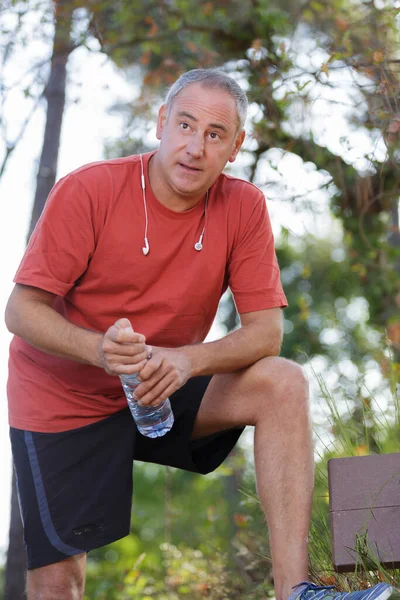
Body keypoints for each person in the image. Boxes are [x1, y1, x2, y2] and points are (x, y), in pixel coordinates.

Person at [4, 68, 394, 600]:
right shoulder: (89, 189)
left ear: (235, 147)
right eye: (185, 125)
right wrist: (98, 350)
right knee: (56, 584)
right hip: (64, 398)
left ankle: (297, 591)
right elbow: (21, 311)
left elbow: (266, 334)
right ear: (163, 123)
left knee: (283, 382)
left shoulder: (244, 206)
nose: (194, 146)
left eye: (214, 134)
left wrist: (186, 361)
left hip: (164, 378)